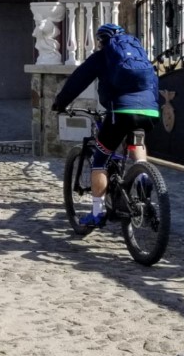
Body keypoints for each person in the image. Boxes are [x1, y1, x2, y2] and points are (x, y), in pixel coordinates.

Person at [51, 23, 160, 228]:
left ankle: (96, 213)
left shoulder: (103, 56)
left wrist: (60, 103)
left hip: (120, 112)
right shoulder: (140, 56)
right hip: (149, 111)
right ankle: (144, 177)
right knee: (136, 144)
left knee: (100, 158)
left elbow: (78, 80)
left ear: (101, 41)